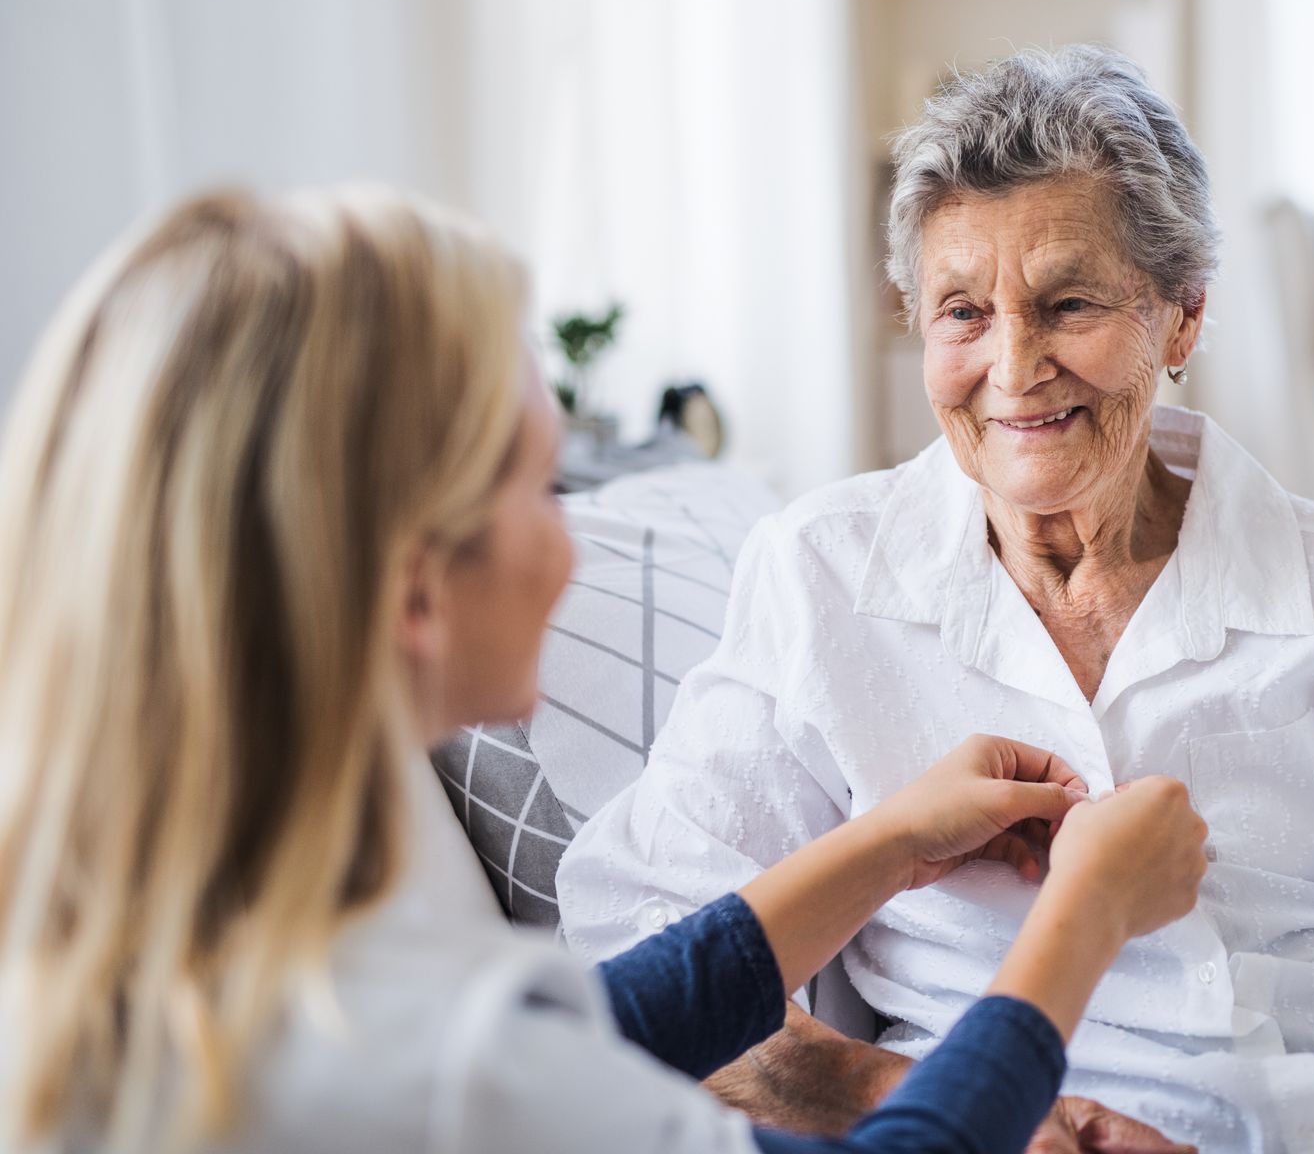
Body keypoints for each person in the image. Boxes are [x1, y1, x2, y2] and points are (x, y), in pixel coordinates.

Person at [558, 46, 1314, 1153]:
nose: (1013, 367)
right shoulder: (819, 576)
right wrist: (905, 1096)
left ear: (1183, 315)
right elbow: (647, 933)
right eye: (963, 311)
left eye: (1068, 305)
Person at [0, 186, 1211, 1154]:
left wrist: (887, 842)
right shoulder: (452, 1073)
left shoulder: (187, 966)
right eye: (541, 483)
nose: (573, 536)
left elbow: (605, 1024)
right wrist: (1081, 917)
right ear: (417, 586)